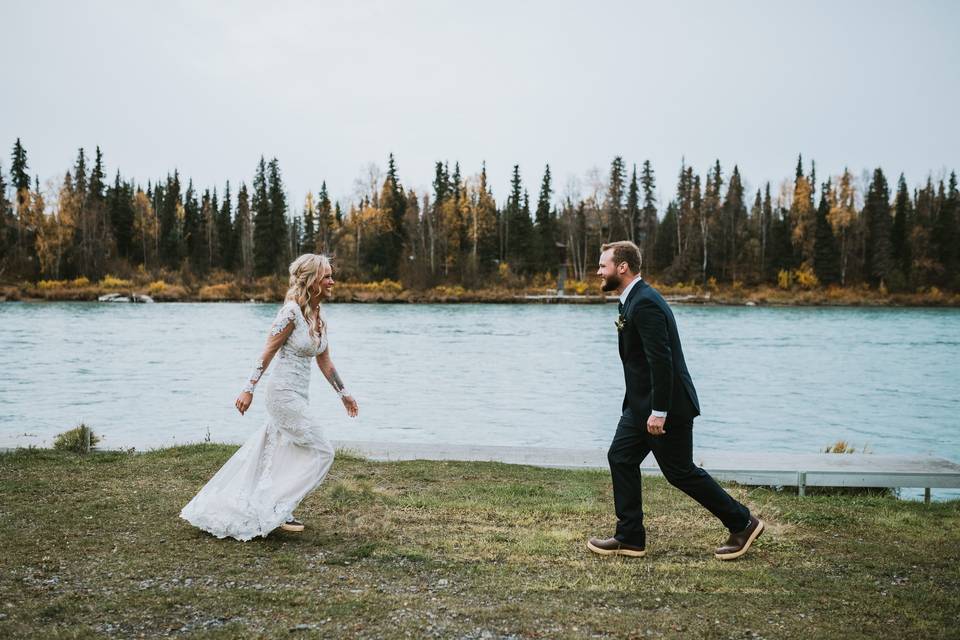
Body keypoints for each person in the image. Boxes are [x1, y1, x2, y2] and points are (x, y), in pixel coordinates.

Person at [586, 241, 763, 560]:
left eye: (603, 266)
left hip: (665, 407)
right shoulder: (629, 301)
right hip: (639, 407)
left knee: (680, 472)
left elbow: (661, 362)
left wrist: (659, 412)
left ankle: (743, 522)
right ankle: (630, 537)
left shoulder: (646, 303)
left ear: (622, 268)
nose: (598, 271)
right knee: (620, 457)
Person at [180, 254, 358, 540]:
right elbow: (268, 351)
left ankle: (260, 505)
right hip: (282, 395)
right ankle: (276, 505)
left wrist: (344, 395)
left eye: (331, 276)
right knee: (323, 451)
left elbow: (325, 362)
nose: (332, 281)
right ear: (312, 280)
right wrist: (248, 388)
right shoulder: (291, 312)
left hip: (300, 396)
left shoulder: (318, 317)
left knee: (275, 455)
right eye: (326, 276)